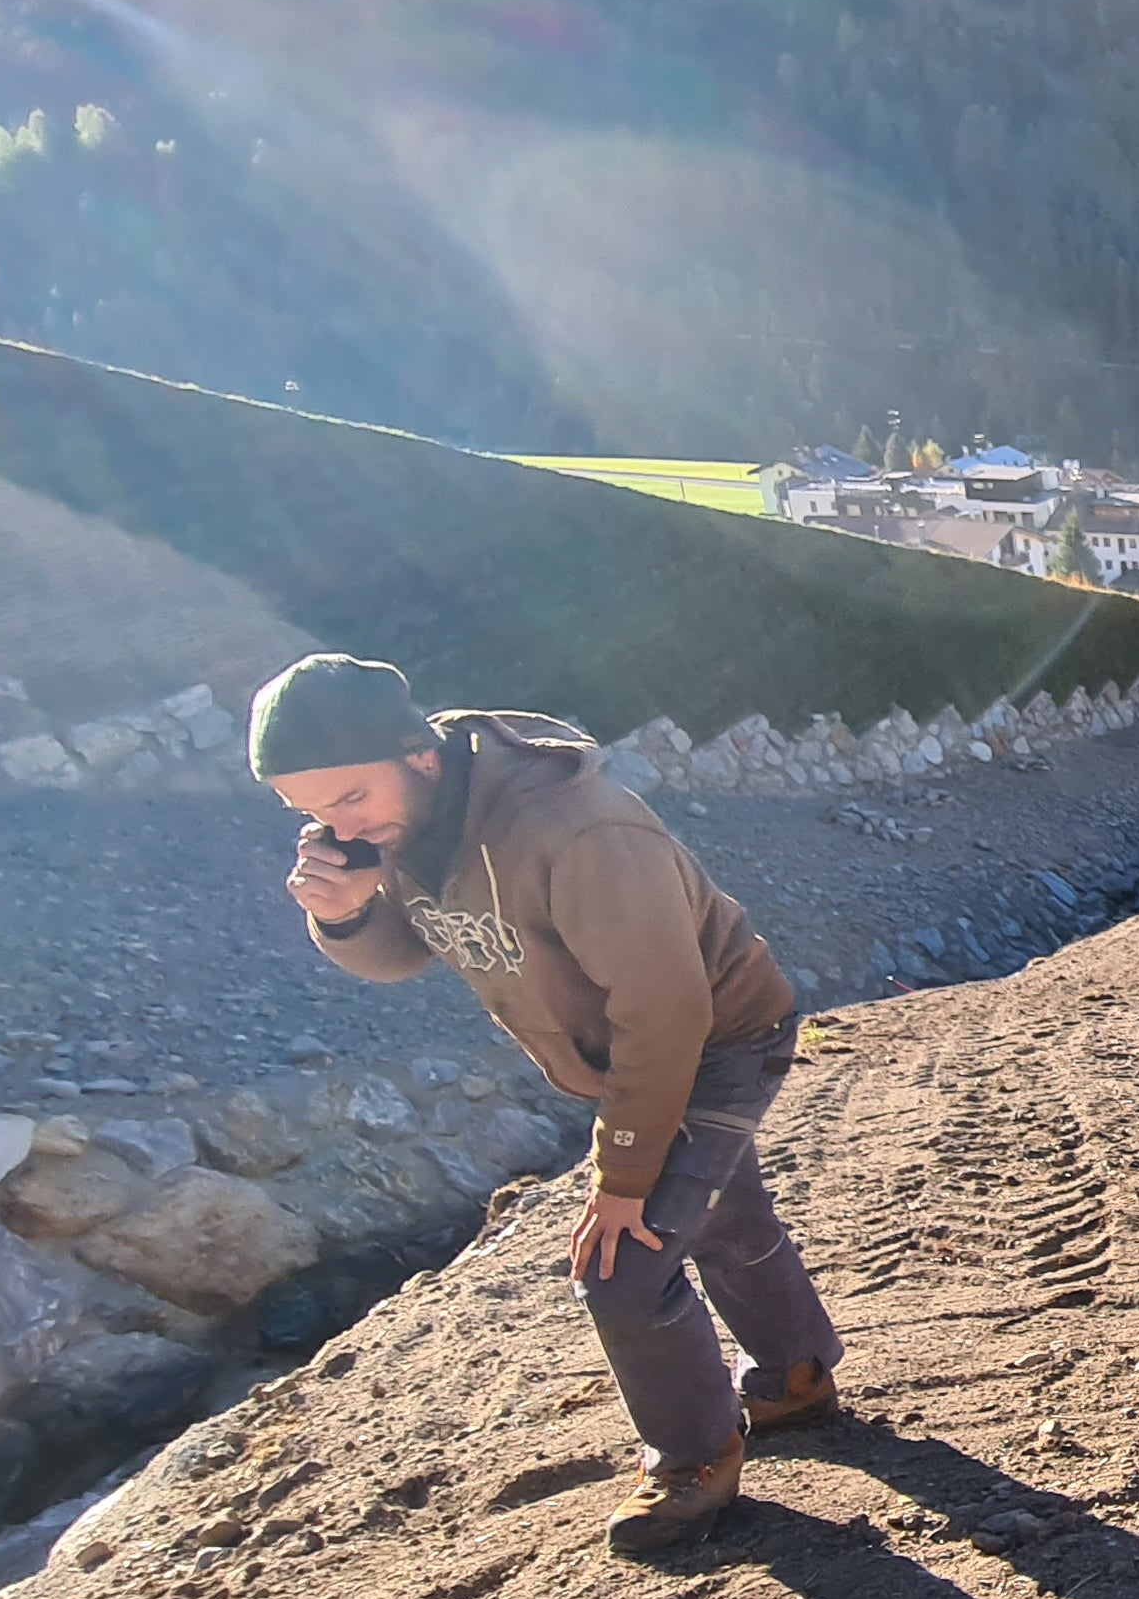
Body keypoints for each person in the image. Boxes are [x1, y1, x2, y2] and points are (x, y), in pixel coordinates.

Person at [249, 652, 841, 1553]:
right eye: (315, 813)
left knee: (622, 1262)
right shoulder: (412, 822)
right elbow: (404, 953)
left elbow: (667, 1012)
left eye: (350, 798)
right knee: (720, 1214)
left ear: (417, 754)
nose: (341, 827)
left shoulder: (579, 831)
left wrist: (621, 1175)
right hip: (633, 1052)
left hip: (719, 1039)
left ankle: (694, 1460)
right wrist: (346, 913)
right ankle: (796, 1380)